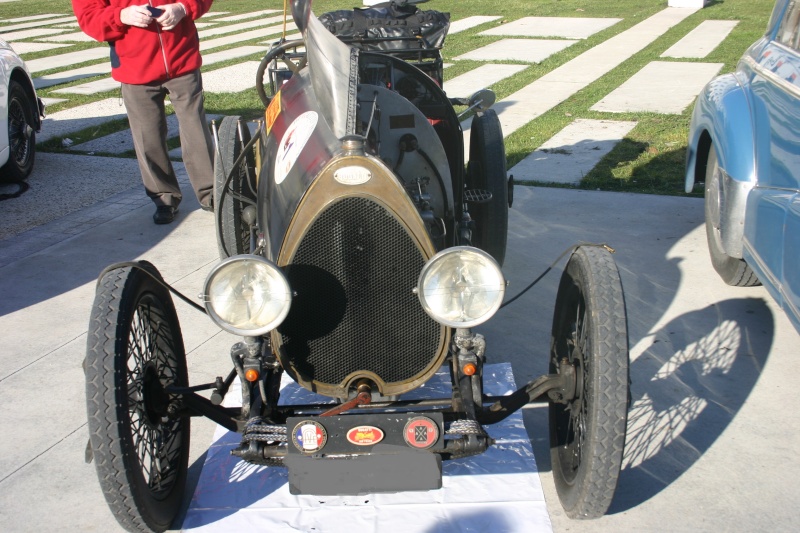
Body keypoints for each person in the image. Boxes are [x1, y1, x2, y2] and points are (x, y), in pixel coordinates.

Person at [72, 1, 215, 224]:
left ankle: (211, 193)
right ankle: (163, 197)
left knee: (195, 129)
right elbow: (88, 17)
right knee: (148, 136)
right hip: (134, 68)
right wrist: (121, 16)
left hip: (182, 58)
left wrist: (183, 8)